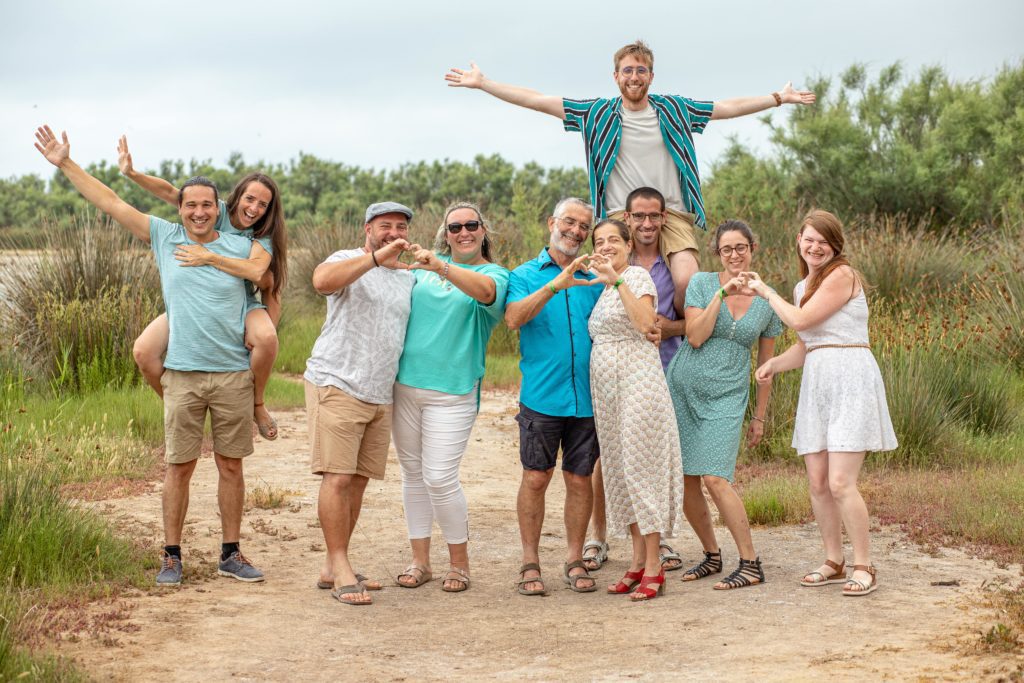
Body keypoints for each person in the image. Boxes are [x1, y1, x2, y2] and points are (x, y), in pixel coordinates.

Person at [34, 125, 268, 586]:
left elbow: (261, 272)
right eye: (190, 205)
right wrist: (65, 164)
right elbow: (111, 202)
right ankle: (172, 556)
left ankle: (231, 553)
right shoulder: (164, 235)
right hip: (181, 373)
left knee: (230, 466)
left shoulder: (243, 245)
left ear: (217, 210)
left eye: (206, 205)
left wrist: (214, 258)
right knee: (177, 467)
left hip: (232, 375)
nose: (198, 212)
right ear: (179, 210)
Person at [445, 39, 815, 312]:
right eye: (627, 70)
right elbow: (538, 99)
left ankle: (684, 346)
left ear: (651, 75)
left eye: (641, 70)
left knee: (686, 279)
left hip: (672, 212)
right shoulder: (597, 114)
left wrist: (777, 98)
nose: (634, 76)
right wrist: (484, 83)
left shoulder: (674, 109)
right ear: (616, 76)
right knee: (615, 286)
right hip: (619, 218)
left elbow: (726, 108)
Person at [745, 209, 898, 597]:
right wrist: (774, 365)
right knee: (817, 482)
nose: (815, 246)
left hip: (851, 378)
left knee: (841, 481)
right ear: (799, 240)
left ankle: (865, 565)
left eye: (823, 240)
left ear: (835, 245)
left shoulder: (842, 276)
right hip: (818, 383)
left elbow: (798, 321)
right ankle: (834, 560)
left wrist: (765, 291)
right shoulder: (801, 287)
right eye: (808, 238)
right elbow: (806, 344)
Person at [118, 136, 287, 441]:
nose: (255, 208)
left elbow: (261, 278)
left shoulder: (262, 236)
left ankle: (256, 402)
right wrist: (132, 174)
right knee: (143, 350)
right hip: (195, 301)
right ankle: (179, 403)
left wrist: (209, 256)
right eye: (250, 199)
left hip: (240, 300)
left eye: (264, 204)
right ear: (238, 196)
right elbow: (172, 192)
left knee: (265, 337)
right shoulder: (214, 210)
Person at [391, 202, 510, 593]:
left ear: (483, 230)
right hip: (405, 386)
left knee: (439, 477)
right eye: (455, 226)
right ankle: (420, 561)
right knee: (413, 476)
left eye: (472, 225)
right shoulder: (422, 267)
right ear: (446, 232)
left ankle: (459, 563)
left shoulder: (493, 273)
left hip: (454, 391)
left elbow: (487, 293)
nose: (464, 232)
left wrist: (440, 266)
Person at [304, 202, 416, 606]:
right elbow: (321, 281)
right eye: (384, 226)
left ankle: (333, 565)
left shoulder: (407, 277)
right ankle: (340, 569)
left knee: (358, 482)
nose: (393, 233)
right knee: (336, 478)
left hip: (379, 392)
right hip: (337, 382)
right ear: (367, 229)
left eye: (400, 227)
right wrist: (373, 259)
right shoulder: (348, 259)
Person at [667, 220, 782, 589]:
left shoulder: (768, 300)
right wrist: (721, 294)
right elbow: (696, 336)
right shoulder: (701, 283)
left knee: (716, 477)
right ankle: (711, 554)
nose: (734, 255)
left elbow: (766, 367)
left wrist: (760, 417)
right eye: (726, 249)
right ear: (717, 252)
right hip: (684, 388)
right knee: (685, 479)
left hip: (728, 395)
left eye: (741, 247)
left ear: (753, 248)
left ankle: (750, 562)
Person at [583, 186, 688, 573]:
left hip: (639, 387)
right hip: (609, 394)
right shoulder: (603, 285)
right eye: (600, 241)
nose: (606, 246)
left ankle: (654, 567)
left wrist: (618, 279)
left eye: (613, 240)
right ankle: (636, 563)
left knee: (642, 471)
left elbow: (647, 325)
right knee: (619, 473)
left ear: (628, 244)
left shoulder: (637, 278)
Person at [505, 198, 602, 596]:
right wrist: (554, 285)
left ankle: (575, 558)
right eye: (569, 222)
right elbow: (513, 318)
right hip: (542, 397)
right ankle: (530, 562)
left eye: (584, 226)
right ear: (551, 223)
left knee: (580, 481)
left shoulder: (595, 278)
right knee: (535, 478)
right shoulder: (524, 274)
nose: (576, 231)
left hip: (588, 399)